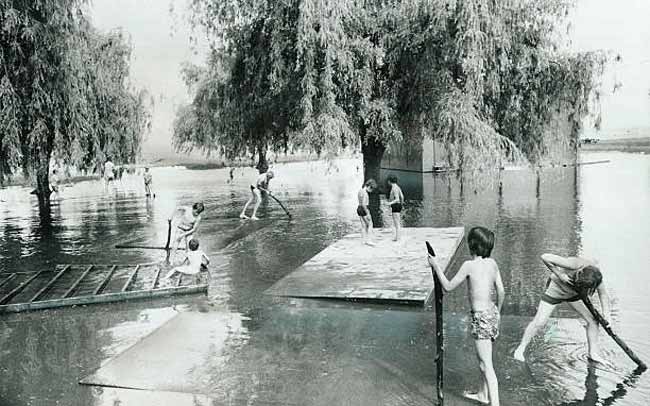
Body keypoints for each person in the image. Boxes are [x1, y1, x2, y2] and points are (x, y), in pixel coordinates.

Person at [427, 226, 505, 406]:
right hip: (492, 313)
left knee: (487, 366)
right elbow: (501, 291)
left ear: (472, 245)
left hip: (481, 317)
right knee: (484, 361)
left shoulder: (469, 265)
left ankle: (495, 403)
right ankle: (483, 395)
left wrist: (436, 265)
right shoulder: (492, 263)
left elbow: (447, 286)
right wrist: (498, 313)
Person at [513, 253, 610, 364]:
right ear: (579, 273)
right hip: (556, 289)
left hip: (575, 294)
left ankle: (593, 353)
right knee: (540, 321)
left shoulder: (596, 277)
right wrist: (560, 274)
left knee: (593, 321)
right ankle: (520, 349)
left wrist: (607, 315)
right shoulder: (574, 264)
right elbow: (545, 257)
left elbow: (603, 294)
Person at [357, 179, 377, 245]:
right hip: (364, 209)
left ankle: (363, 240)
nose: (371, 191)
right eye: (371, 189)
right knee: (370, 224)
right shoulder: (365, 193)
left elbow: (360, 202)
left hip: (359, 208)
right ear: (369, 186)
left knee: (363, 226)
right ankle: (369, 240)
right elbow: (364, 204)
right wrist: (368, 213)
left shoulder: (360, 191)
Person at [386, 175, 405, 241]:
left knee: (396, 223)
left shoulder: (394, 188)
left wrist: (389, 203)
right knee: (397, 222)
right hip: (398, 205)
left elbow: (397, 199)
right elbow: (402, 197)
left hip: (395, 206)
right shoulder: (398, 187)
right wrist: (401, 205)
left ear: (389, 181)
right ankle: (397, 237)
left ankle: (398, 238)